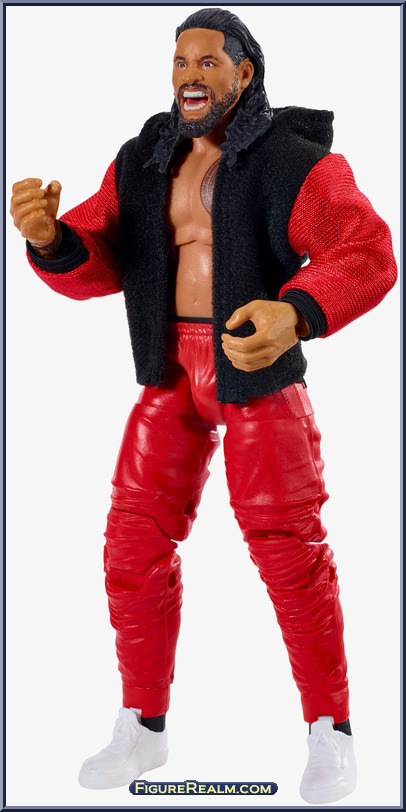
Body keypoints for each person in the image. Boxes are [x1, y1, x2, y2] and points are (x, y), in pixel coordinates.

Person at [9, 7, 397, 805]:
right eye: (180, 61)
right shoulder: (145, 157)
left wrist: (297, 311)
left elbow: (366, 251)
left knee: (288, 549)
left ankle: (331, 730)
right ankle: (142, 725)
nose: (189, 75)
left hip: (256, 372)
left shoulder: (294, 160)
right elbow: (101, 255)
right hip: (169, 372)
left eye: (208, 62)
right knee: (130, 547)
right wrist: (50, 239)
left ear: (244, 74)